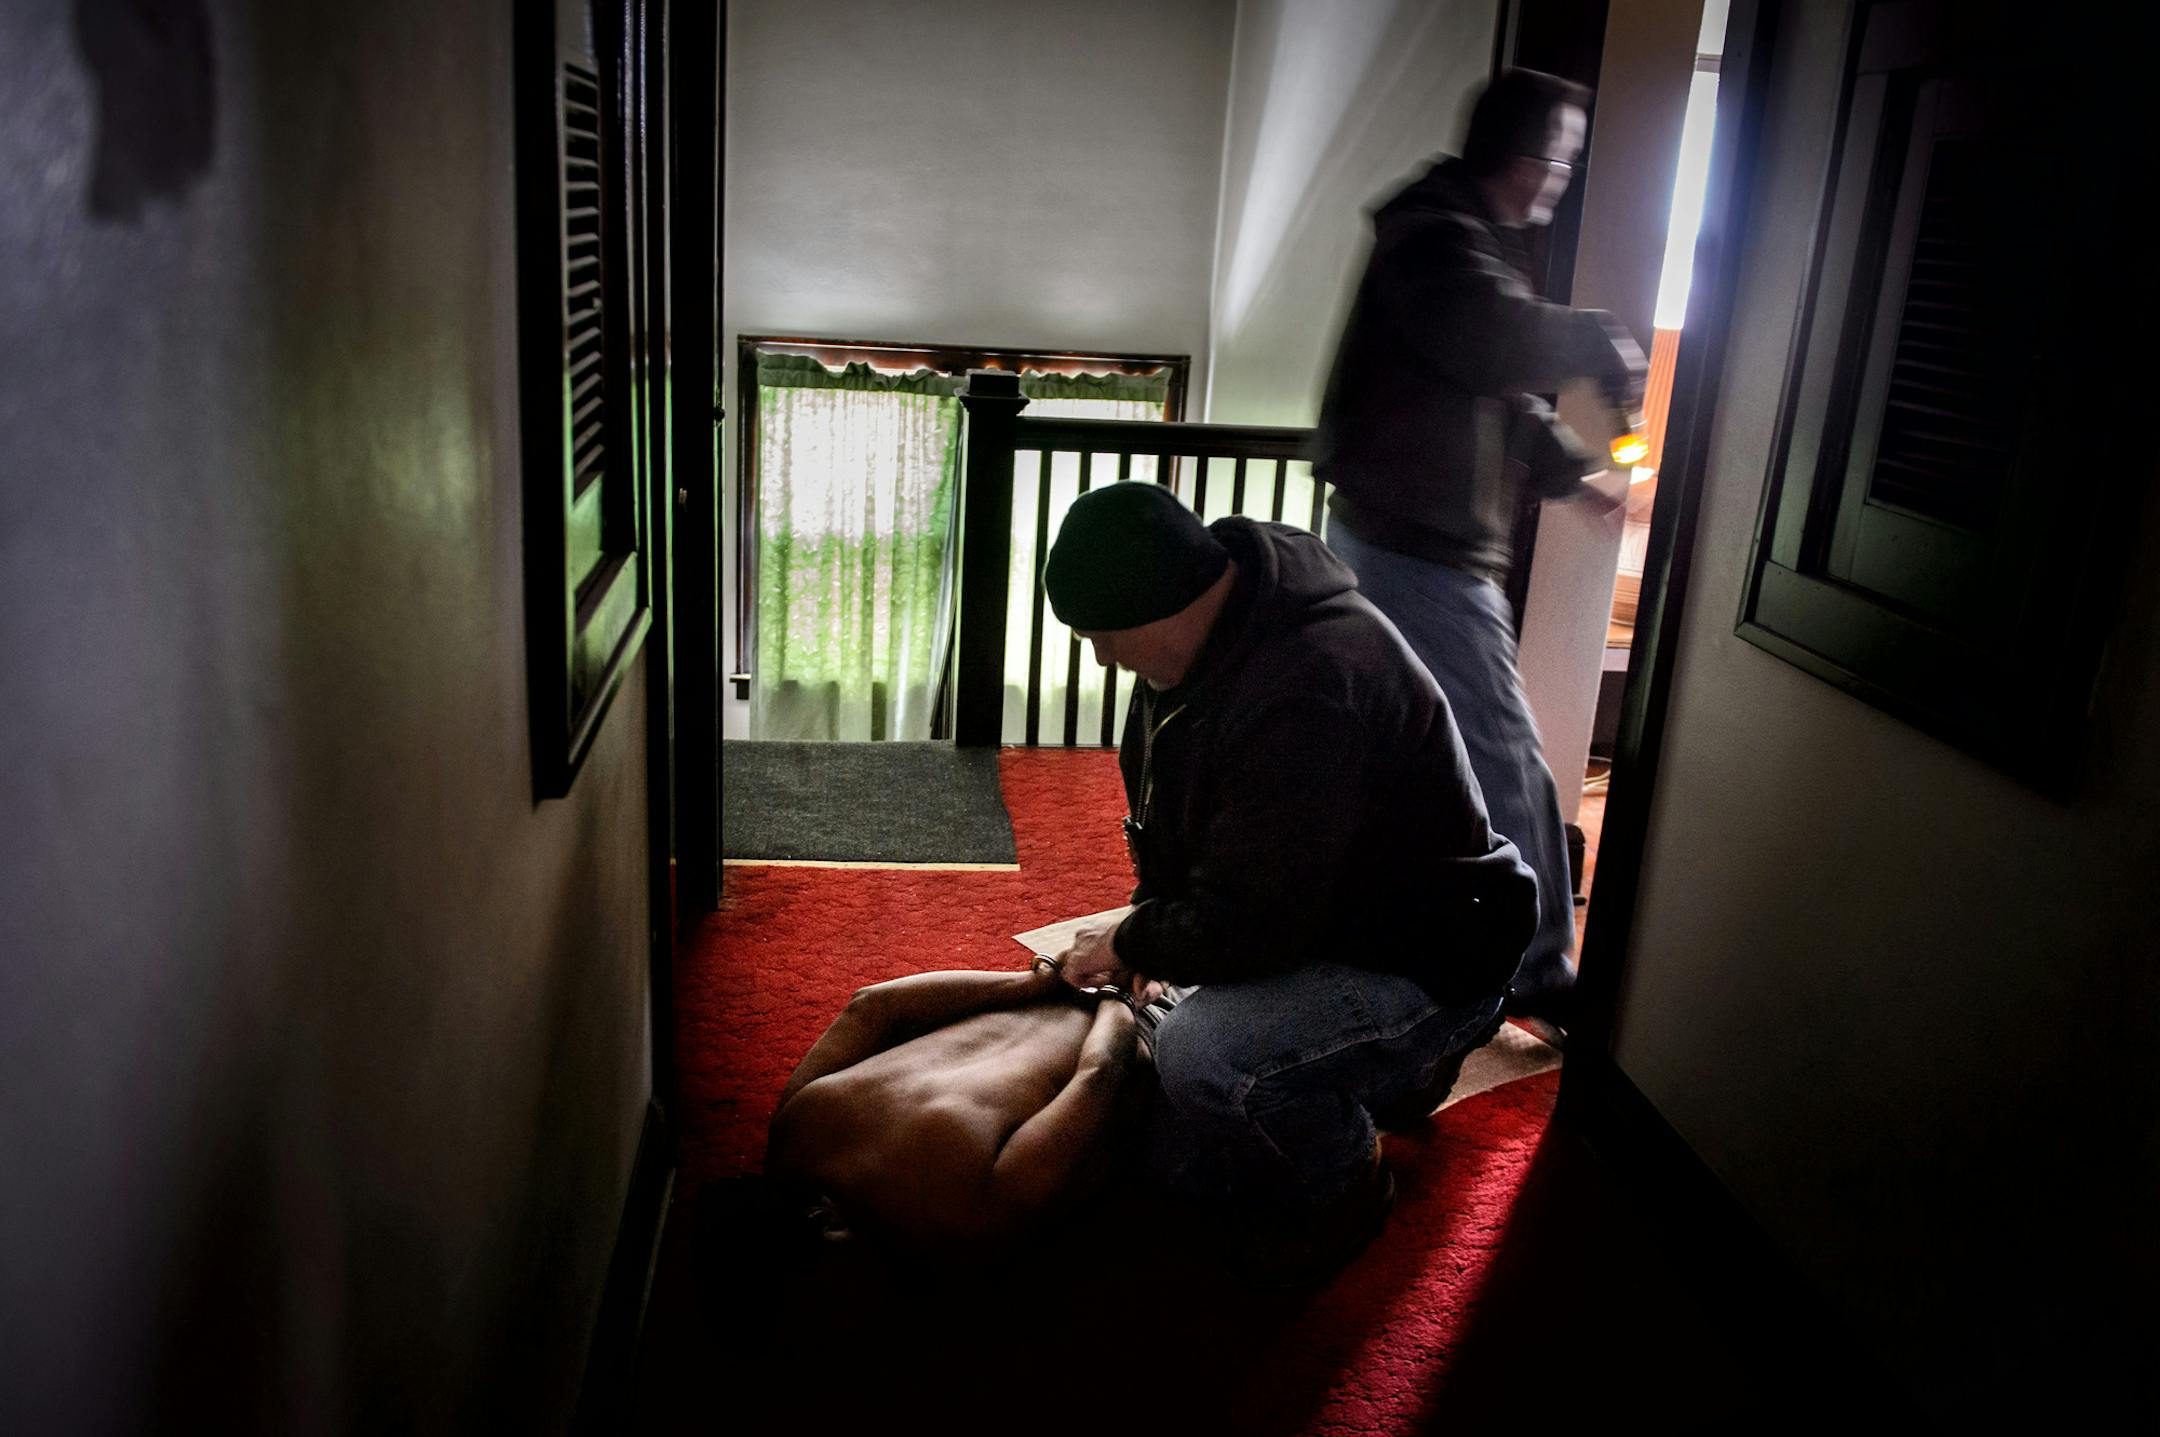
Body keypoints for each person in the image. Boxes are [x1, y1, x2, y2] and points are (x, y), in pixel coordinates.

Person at [1039, 479, 1539, 1286]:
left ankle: (1349, 1182)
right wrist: (1148, 925)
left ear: (1161, 604)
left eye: (1102, 635)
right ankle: (1390, 1077)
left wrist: (1133, 939)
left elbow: (1252, 922)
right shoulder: (1199, 650)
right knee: (1171, 1163)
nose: (1100, 656)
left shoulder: (1313, 682)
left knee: (1204, 1059)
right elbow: (1177, 841)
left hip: (1428, 954)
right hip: (1329, 922)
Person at [1312, 68, 1650, 1037]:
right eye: (1562, 158)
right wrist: (1595, 339)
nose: (1564, 178)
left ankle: (1381, 932)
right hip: (1413, 553)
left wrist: (1574, 472)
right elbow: (1487, 342)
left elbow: (1496, 388)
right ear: (1523, 154)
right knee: (1506, 760)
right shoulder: (1435, 238)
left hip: (1399, 544)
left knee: (1408, 750)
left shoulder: (1465, 241)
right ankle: (1542, 973)